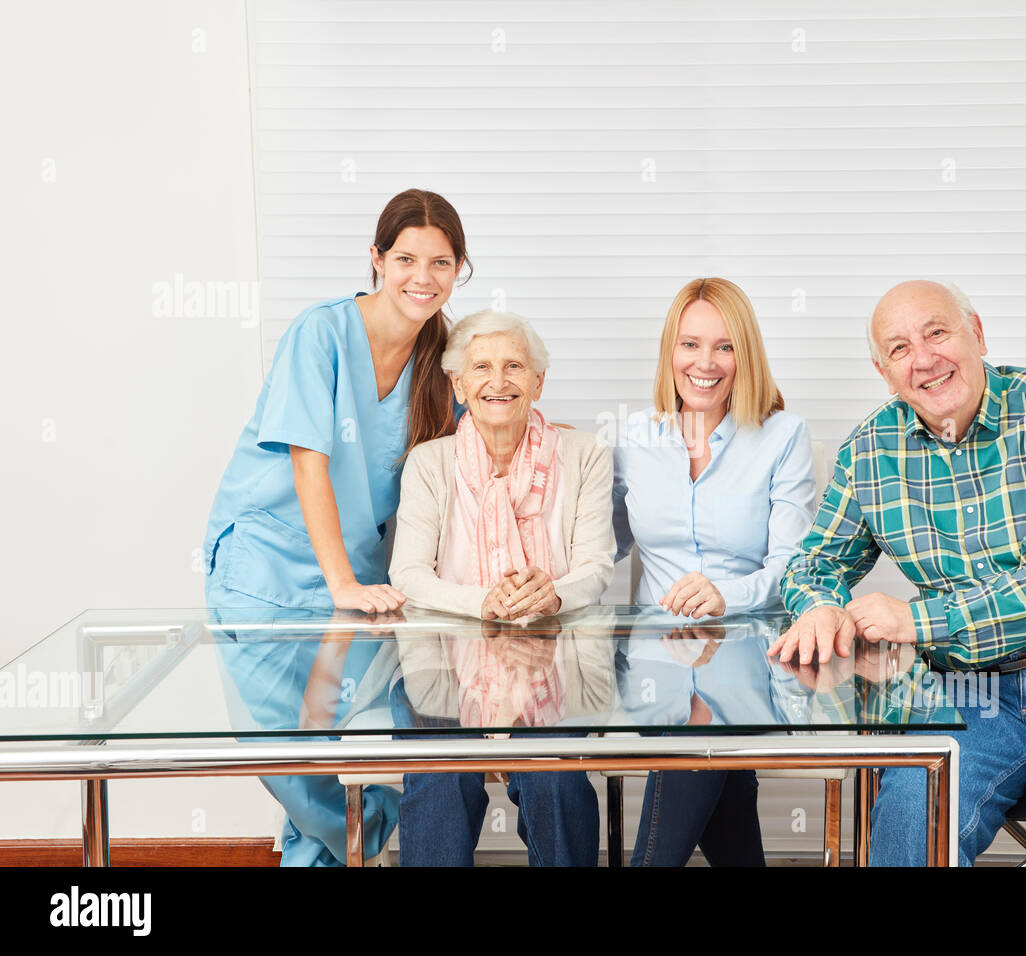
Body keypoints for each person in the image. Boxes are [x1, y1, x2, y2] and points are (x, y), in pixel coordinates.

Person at [772, 279, 1026, 866]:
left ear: (977, 334)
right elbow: (814, 562)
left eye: (937, 332)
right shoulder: (869, 450)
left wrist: (915, 618)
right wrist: (821, 604)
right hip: (970, 687)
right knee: (909, 833)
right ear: (884, 371)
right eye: (901, 348)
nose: (925, 358)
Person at [202, 188, 470, 866]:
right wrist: (342, 582)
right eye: (406, 258)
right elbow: (308, 463)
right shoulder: (319, 334)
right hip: (268, 569)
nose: (422, 277)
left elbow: (474, 453)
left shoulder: (443, 358)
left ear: (460, 269)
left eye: (441, 263)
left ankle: (323, 852)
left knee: (345, 742)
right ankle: (357, 839)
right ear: (376, 259)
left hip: (362, 583)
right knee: (288, 762)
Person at [388, 309, 615, 866]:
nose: (499, 381)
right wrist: (481, 601)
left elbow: (598, 564)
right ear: (459, 385)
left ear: (539, 381)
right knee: (440, 784)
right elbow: (409, 574)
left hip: (558, 663)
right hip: (443, 666)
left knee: (554, 784)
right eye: (482, 367)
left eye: (515, 366)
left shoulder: (585, 454)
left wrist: (554, 593)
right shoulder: (429, 462)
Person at [612, 277, 817, 866]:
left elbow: (794, 567)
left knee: (699, 747)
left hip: (750, 654)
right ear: (669, 352)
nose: (705, 363)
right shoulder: (635, 437)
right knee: (723, 796)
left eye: (724, 347)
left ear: (744, 354)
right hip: (656, 660)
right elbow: (603, 545)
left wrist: (725, 595)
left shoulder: (783, 436)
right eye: (690, 344)